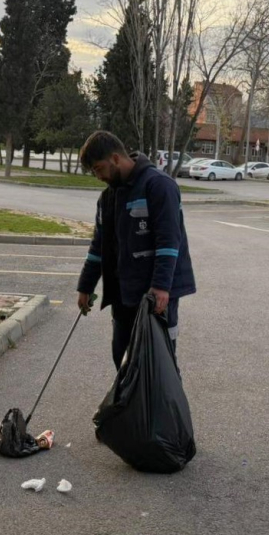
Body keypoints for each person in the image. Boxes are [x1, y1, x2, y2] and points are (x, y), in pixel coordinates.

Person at [76, 131, 196, 368]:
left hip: (156, 295)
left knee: (159, 364)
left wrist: (161, 286)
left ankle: (163, 396)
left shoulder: (158, 185)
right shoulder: (107, 198)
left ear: (115, 158)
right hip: (124, 293)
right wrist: (85, 286)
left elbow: (169, 241)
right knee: (123, 359)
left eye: (99, 168)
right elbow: (99, 246)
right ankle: (127, 395)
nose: (98, 177)